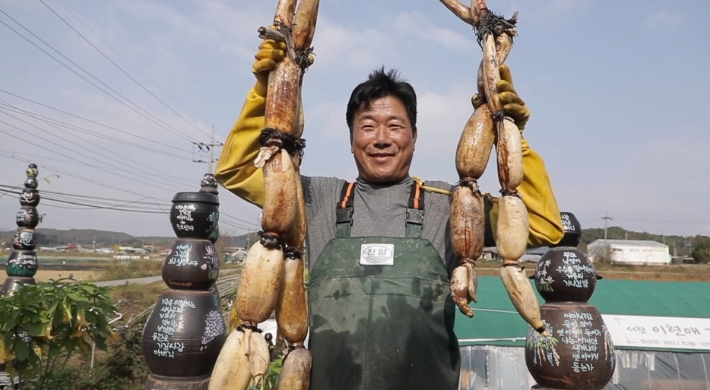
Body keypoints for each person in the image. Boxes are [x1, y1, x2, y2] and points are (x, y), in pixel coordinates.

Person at [215, 37, 564, 390]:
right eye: (367, 126)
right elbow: (237, 169)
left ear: (414, 136)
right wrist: (267, 90)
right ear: (351, 139)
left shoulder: (453, 204)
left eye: (395, 126)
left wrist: (511, 133)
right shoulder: (315, 198)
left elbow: (540, 223)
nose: (381, 138)